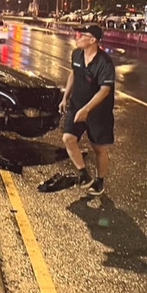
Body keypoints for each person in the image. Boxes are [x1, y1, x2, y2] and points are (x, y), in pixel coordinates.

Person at [59, 24, 115, 196]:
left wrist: (87, 110)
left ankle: (99, 181)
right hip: (76, 106)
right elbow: (73, 74)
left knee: (98, 149)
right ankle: (84, 175)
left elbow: (104, 90)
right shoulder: (77, 54)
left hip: (98, 112)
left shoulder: (104, 62)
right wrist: (65, 97)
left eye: (81, 35)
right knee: (68, 139)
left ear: (92, 40)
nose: (77, 37)